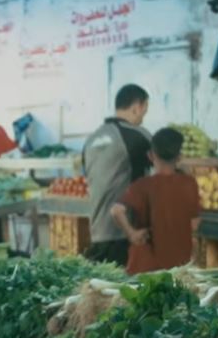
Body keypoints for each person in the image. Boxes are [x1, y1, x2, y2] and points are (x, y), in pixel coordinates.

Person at [110, 128, 200, 274]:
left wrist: (132, 233)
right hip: (179, 266)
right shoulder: (189, 184)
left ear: (151, 156)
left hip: (146, 268)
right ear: (179, 157)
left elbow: (116, 211)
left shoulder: (143, 185)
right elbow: (194, 224)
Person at [82, 84, 152, 267]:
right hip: (124, 233)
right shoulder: (137, 135)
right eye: (144, 112)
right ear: (137, 107)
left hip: (98, 231)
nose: (143, 119)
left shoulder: (91, 140)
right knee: (127, 290)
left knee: (102, 289)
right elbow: (168, 166)